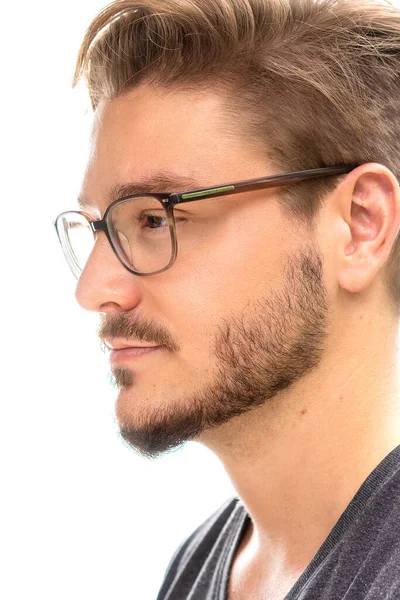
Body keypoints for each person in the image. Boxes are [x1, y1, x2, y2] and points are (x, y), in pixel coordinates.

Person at [53, 0, 400, 597]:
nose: (94, 290)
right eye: (99, 228)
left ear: (359, 226)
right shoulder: (196, 569)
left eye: (157, 219)